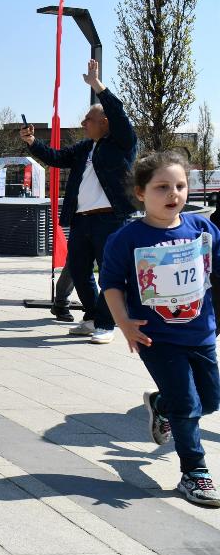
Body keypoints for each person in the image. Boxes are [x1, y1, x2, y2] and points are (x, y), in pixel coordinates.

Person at [99, 152, 220, 507]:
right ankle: (194, 473)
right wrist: (123, 323)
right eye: (162, 187)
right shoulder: (128, 238)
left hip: (201, 332)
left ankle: (160, 405)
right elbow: (111, 284)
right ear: (141, 193)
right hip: (157, 337)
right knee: (188, 404)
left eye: (180, 186)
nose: (174, 194)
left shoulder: (202, 229)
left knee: (210, 399)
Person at [22, 59, 137, 343]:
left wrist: (97, 85)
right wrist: (32, 143)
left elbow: (118, 113)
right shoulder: (85, 147)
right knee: (80, 270)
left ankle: (107, 325)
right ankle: (92, 317)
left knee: (108, 272)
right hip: (82, 219)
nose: (83, 123)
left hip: (110, 219)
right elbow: (56, 158)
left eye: (88, 119)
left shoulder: (122, 143)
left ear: (104, 122)